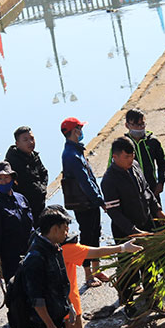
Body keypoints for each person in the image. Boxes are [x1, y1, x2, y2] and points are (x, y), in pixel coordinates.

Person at [100, 136, 164, 318]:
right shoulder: (109, 180)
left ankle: (154, 302)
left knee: (149, 265)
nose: (131, 159)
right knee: (130, 272)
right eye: (127, 157)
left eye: (132, 155)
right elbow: (115, 213)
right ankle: (129, 306)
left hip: (146, 224)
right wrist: (132, 231)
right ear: (116, 156)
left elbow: (147, 191)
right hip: (125, 233)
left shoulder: (135, 166)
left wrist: (157, 210)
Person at [0, 161, 38, 328]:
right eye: (0, 178)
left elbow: (30, 224)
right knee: (16, 299)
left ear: (12, 179)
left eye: (6, 177)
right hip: (10, 258)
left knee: (31, 294)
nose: (4, 180)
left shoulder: (21, 198)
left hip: (29, 253)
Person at [60, 117, 108, 286]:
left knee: (95, 232)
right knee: (88, 236)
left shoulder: (76, 151)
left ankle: (96, 269)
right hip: (84, 203)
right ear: (75, 131)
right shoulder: (71, 155)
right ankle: (88, 275)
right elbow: (84, 181)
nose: (81, 132)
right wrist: (99, 199)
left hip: (89, 202)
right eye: (80, 129)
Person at [5, 125, 48, 222]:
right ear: (17, 144)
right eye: (25, 140)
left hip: (39, 203)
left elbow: (44, 173)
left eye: (32, 138)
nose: (30, 142)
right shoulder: (13, 163)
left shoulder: (34, 156)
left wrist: (42, 189)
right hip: (25, 208)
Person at [120, 109, 165, 194]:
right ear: (127, 125)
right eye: (137, 125)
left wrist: (161, 182)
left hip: (152, 188)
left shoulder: (153, 141)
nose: (140, 128)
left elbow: (162, 162)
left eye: (142, 124)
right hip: (131, 190)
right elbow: (112, 168)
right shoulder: (122, 145)